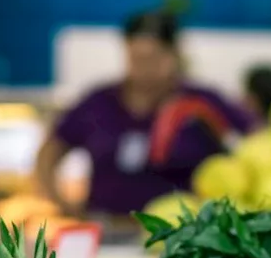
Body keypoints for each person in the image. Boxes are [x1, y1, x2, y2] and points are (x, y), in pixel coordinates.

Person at [35, 11, 256, 218]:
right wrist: (62, 205)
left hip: (183, 235)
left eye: (153, 59)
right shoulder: (98, 103)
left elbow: (254, 142)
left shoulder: (202, 103)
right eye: (136, 59)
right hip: (106, 229)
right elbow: (50, 151)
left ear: (174, 55)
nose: (144, 68)